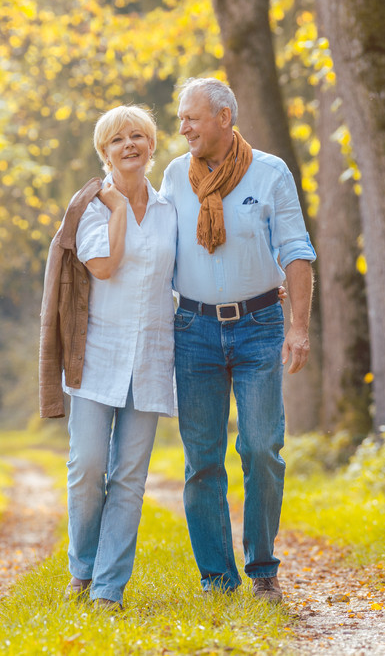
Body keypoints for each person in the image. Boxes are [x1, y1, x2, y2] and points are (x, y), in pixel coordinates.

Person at [159, 77, 315, 604]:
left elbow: (295, 249)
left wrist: (298, 326)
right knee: (202, 457)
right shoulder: (174, 177)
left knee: (262, 447)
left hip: (259, 325)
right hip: (193, 330)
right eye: (180, 118)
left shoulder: (270, 172)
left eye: (192, 118)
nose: (183, 127)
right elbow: (155, 244)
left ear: (224, 118)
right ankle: (216, 579)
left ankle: (263, 568)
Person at [39, 105, 177, 609]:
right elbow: (105, 265)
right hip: (97, 357)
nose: (130, 145)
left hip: (152, 358)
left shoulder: (170, 209)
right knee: (87, 465)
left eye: (138, 135)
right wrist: (119, 209)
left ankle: (108, 588)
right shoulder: (91, 208)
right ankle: (82, 567)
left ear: (153, 144)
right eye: (118, 140)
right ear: (104, 152)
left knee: (129, 477)